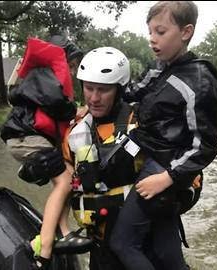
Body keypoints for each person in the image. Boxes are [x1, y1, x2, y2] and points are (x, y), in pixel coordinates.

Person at [109, 2, 217, 270]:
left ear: (186, 32)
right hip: (147, 155)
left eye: (160, 31)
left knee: (123, 243)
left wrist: (167, 178)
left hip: (165, 167)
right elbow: (130, 92)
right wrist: (94, 101)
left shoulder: (200, 80)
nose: (152, 39)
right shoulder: (159, 67)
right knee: (166, 252)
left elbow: (205, 145)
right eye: (150, 31)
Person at [0, 35, 91, 269]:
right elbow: (57, 103)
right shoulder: (44, 75)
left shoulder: (42, 77)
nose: (71, 72)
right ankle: (44, 248)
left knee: (70, 176)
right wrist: (74, 110)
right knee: (65, 181)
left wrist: (77, 112)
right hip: (26, 138)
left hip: (29, 137)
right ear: (62, 58)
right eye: (71, 66)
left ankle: (64, 231)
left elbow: (55, 108)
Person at [61, 47, 140, 270]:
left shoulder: (142, 121)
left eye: (103, 90)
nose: (94, 98)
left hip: (141, 239)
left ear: (119, 89)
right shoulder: (75, 131)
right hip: (100, 244)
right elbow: (64, 181)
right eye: (89, 88)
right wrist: (43, 167)